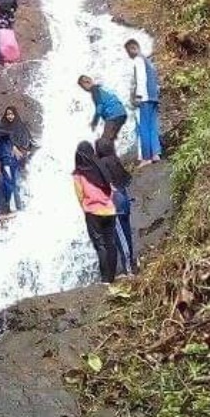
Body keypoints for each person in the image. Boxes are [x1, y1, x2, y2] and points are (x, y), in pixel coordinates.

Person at [72, 142, 119, 285]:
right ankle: (112, 276)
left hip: (92, 212)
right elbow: (112, 188)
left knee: (100, 245)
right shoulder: (102, 168)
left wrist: (86, 207)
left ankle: (105, 280)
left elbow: (80, 195)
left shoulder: (78, 174)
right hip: (109, 210)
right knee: (111, 243)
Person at [95, 136, 136, 275]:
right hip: (124, 201)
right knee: (126, 234)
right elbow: (127, 179)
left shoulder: (102, 164)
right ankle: (131, 264)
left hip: (115, 206)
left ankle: (129, 269)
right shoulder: (114, 160)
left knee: (121, 238)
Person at [125, 38, 161, 165]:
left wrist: (138, 98)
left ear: (133, 48)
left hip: (145, 99)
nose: (128, 54)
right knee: (152, 126)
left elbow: (140, 79)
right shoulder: (149, 62)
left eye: (128, 51)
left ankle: (146, 158)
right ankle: (156, 154)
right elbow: (156, 82)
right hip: (153, 98)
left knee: (144, 128)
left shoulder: (138, 60)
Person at [78, 75, 128, 144]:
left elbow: (99, 107)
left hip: (113, 115)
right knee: (110, 139)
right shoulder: (100, 88)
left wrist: (94, 122)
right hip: (122, 113)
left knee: (104, 142)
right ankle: (111, 153)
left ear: (87, 82)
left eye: (83, 86)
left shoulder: (94, 90)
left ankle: (107, 152)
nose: (84, 89)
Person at [0, 119, 23, 214]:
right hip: (13, 163)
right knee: (15, 182)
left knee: (9, 183)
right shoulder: (9, 139)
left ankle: (12, 207)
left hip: (7, 163)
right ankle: (19, 204)